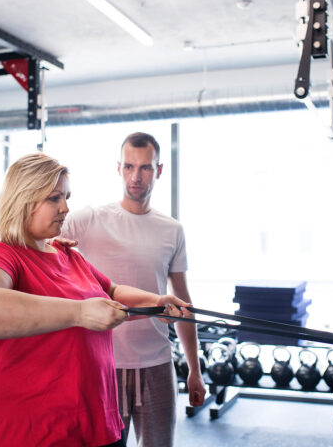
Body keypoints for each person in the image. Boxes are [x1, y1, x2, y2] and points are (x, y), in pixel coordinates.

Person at [0, 153, 190, 447]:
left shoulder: (66, 254)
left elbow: (112, 292)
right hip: (28, 432)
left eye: (66, 197)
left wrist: (157, 303)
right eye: (54, 198)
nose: (65, 208)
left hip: (96, 424)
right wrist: (79, 313)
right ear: (22, 199)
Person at [62, 132, 206, 447]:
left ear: (159, 170)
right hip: (102, 363)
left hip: (156, 362)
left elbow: (182, 303)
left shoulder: (172, 230)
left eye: (144, 168)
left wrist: (195, 369)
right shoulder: (89, 220)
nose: (135, 176)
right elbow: (42, 239)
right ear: (118, 168)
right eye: (128, 167)